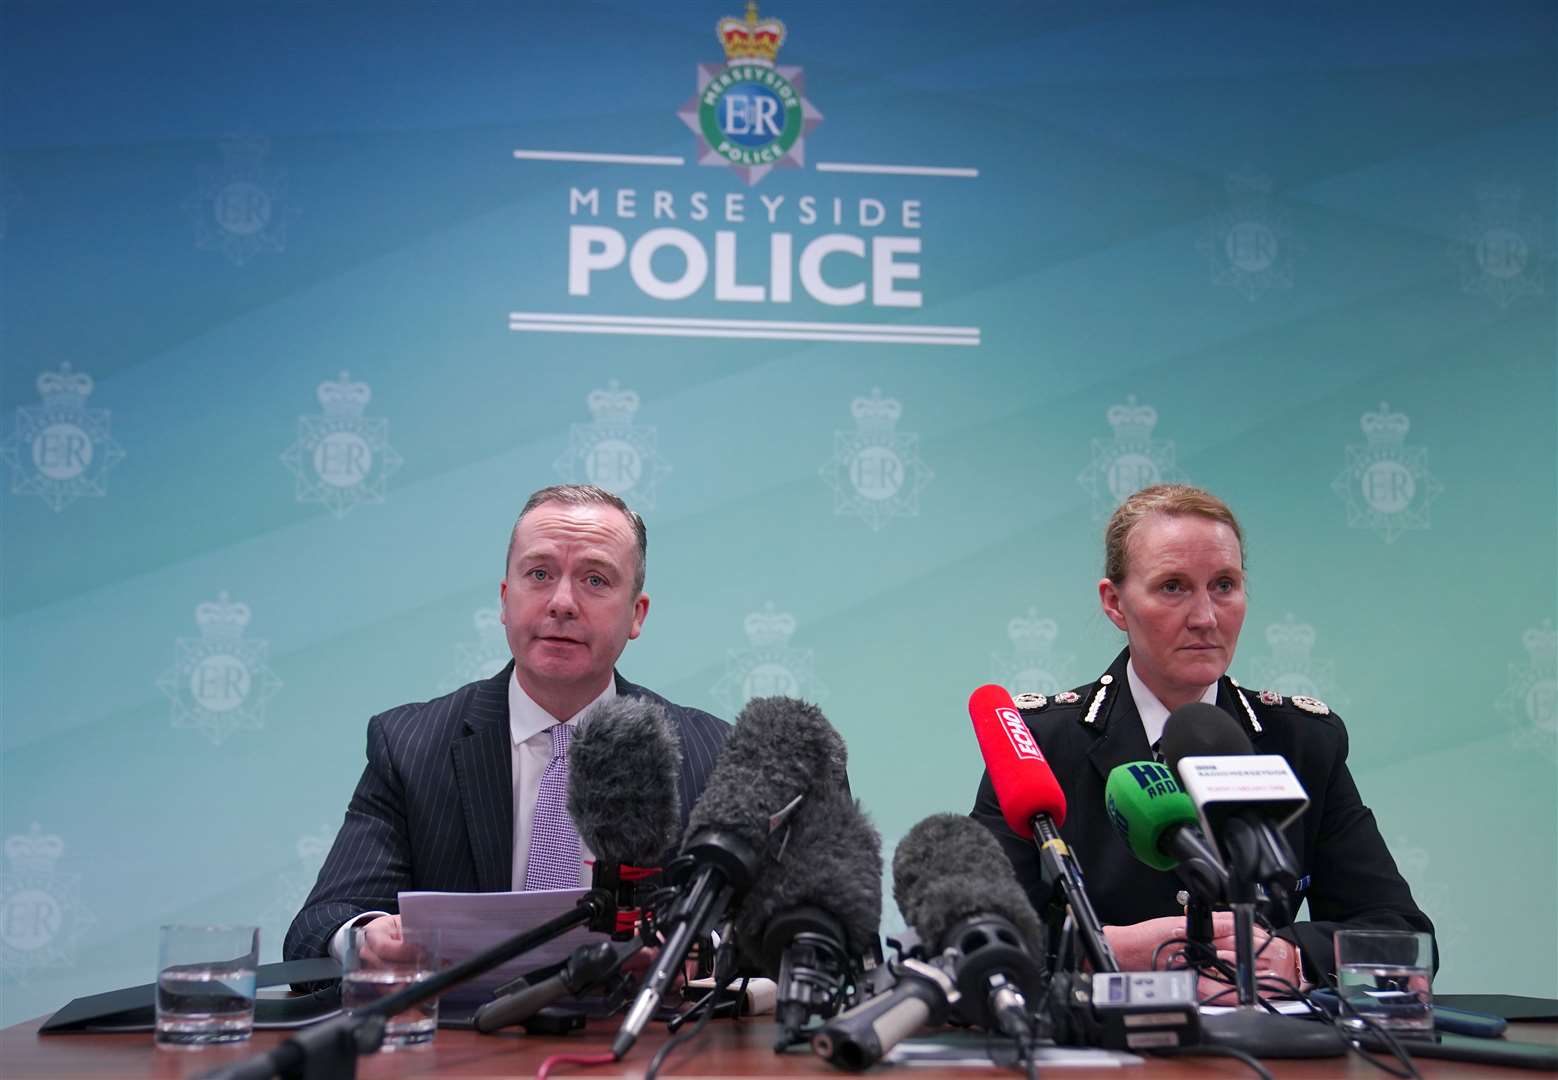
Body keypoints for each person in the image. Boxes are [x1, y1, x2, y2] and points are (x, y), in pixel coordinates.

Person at [970, 484, 1433, 990]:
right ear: (1115, 604)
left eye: (1224, 585)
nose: (1205, 617)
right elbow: (973, 938)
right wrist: (1098, 952)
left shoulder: (1301, 742)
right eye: (1173, 586)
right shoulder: (1038, 745)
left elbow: (1401, 934)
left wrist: (1293, 958)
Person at [285, 484, 729, 964]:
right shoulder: (411, 746)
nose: (562, 602)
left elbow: (768, 926)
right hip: (464, 1033)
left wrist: (697, 950)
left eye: (595, 580)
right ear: (504, 600)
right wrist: (366, 937)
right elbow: (320, 924)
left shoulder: (708, 754)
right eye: (539, 574)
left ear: (636, 614)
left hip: (637, 1033)